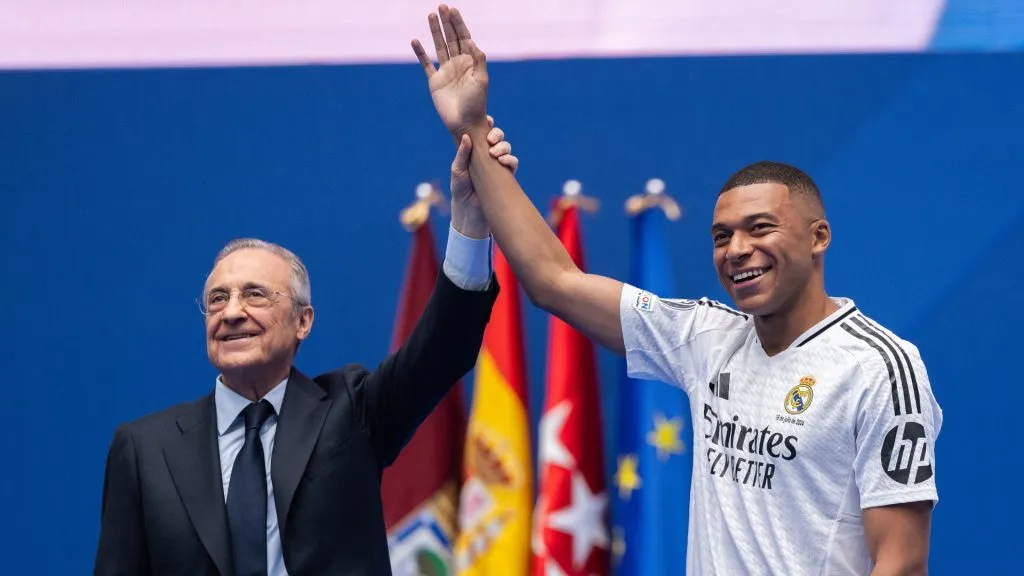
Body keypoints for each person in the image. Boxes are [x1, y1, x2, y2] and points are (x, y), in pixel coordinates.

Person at [410, 5, 942, 575]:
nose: (737, 249)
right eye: (722, 236)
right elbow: (554, 281)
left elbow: (902, 561)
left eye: (760, 228)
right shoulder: (705, 337)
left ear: (819, 237)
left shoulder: (880, 367)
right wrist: (471, 127)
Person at [93, 120, 520, 576]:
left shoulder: (352, 413)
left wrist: (471, 220)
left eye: (255, 294)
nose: (232, 311)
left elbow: (443, 348)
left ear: (303, 321)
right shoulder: (144, 449)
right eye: (218, 298)